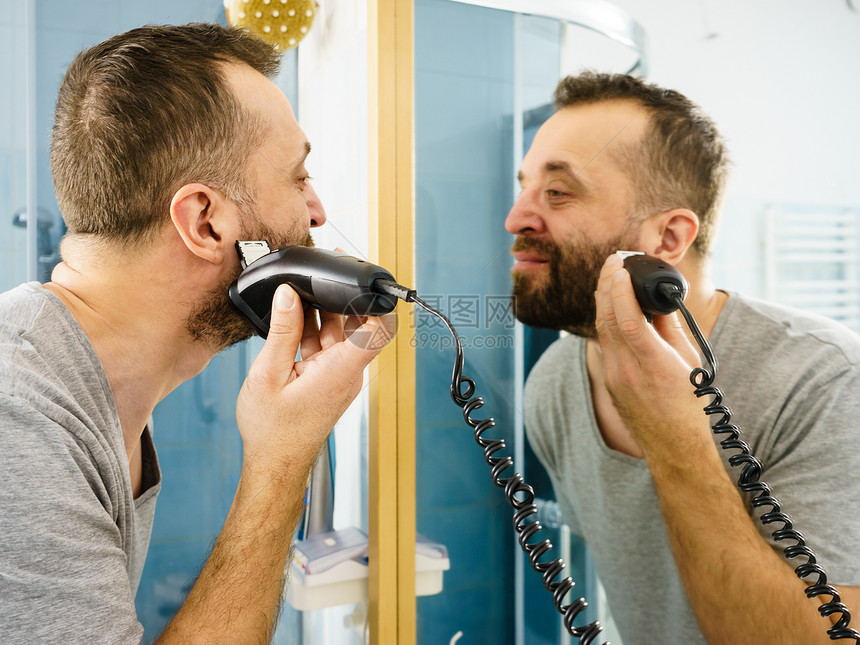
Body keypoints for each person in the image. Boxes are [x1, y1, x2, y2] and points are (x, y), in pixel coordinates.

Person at [0, 24, 394, 643]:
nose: (317, 212)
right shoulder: (19, 418)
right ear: (206, 223)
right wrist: (281, 459)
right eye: (298, 177)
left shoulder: (88, 387)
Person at [506, 71, 860, 644]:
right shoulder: (552, 384)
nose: (516, 218)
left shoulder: (825, 382)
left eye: (558, 192)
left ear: (668, 241)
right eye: (523, 188)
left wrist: (675, 432)